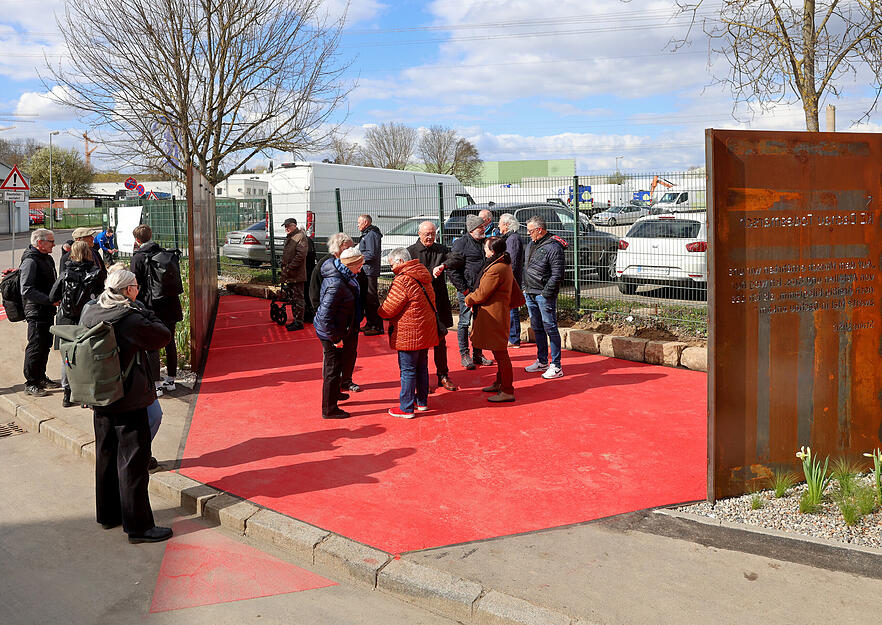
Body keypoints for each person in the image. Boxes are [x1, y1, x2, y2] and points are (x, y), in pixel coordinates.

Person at [79, 269, 173, 543]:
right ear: (128, 290)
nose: (138, 288)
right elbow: (162, 336)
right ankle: (139, 526)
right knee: (133, 463)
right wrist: (144, 310)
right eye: (135, 286)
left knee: (106, 457)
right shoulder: (130, 318)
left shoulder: (92, 310)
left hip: (101, 395)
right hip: (129, 398)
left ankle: (108, 515)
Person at [378, 247, 439, 418]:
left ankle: (406, 407)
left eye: (391, 264)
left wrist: (378, 311)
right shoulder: (423, 275)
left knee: (408, 369)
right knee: (422, 367)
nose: (391, 269)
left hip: (408, 331)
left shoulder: (402, 279)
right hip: (426, 328)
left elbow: (389, 308)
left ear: (400, 261)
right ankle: (422, 401)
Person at [465, 237, 525, 402]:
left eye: (485, 247)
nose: (484, 250)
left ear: (491, 250)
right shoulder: (502, 264)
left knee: (500, 353)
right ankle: (500, 384)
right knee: (498, 351)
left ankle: (507, 390)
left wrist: (468, 299)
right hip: (495, 313)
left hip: (493, 315)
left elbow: (482, 293)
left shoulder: (496, 268)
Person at [49, 240, 104, 407]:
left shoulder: (65, 274)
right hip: (88, 319)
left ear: (72, 254)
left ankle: (67, 393)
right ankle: (85, 395)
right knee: (87, 357)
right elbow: (103, 295)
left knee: (67, 357)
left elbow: (52, 297)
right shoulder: (97, 273)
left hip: (66, 320)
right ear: (89, 254)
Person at [130, 224, 183, 392]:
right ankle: (171, 380)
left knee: (152, 344)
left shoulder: (138, 258)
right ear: (151, 235)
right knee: (170, 341)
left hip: (151, 306)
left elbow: (134, 283)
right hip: (171, 304)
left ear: (137, 240)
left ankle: (156, 384)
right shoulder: (166, 254)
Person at [313, 248, 364, 419]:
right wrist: (335, 338)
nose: (361, 269)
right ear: (350, 265)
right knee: (332, 369)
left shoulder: (343, 276)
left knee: (338, 365)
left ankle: (335, 395)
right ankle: (329, 409)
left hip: (339, 328)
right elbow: (325, 315)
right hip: (331, 332)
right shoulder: (336, 283)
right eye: (359, 265)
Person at [406, 221, 458, 392]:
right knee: (421, 344)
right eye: (426, 234)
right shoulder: (411, 252)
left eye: (433, 234)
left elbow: (456, 258)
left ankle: (443, 375)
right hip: (419, 304)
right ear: (419, 234)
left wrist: (443, 265)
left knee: (441, 341)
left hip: (439, 302)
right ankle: (423, 379)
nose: (429, 237)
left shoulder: (441, 249)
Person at [448, 214, 494, 371]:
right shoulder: (460, 244)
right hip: (467, 291)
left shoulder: (484, 242)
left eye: (483, 227)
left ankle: (478, 353)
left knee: (479, 323)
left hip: (482, 291)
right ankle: (464, 354)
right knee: (464, 322)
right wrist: (465, 290)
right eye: (480, 227)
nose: (483, 229)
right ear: (472, 229)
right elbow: (452, 270)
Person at [523, 215, 566, 379]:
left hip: (543, 295)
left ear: (539, 230)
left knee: (550, 327)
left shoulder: (554, 247)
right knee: (537, 327)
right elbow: (526, 267)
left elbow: (557, 275)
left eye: (530, 231)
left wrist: (545, 293)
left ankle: (556, 365)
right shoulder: (531, 244)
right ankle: (542, 361)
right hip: (530, 293)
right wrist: (525, 288)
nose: (528, 234)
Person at [19, 228, 59, 397]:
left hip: (46, 309)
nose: (54, 244)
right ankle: (31, 382)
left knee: (45, 345)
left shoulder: (46, 258)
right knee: (36, 346)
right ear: (40, 242)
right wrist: (49, 300)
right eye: (51, 241)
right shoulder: (30, 261)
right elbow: (26, 289)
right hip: (36, 310)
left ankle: (40, 377)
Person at [498, 213, 525, 347]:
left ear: (507, 225)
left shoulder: (513, 239)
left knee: (512, 308)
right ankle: (512, 336)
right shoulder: (510, 238)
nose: (498, 225)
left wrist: (507, 278)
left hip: (512, 279)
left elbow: (512, 262)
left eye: (500, 223)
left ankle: (514, 338)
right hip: (510, 278)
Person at [357, 214, 384, 335]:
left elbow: (371, 254)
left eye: (359, 222)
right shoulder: (367, 234)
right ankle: (370, 323)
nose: (357, 225)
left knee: (372, 299)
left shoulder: (371, 235)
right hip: (365, 270)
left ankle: (377, 326)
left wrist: (358, 259)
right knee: (366, 298)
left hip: (370, 271)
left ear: (366, 222)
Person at [280, 217, 308, 331]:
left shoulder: (300, 237)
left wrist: (290, 267)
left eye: (288, 226)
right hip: (290, 273)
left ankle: (299, 321)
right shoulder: (291, 237)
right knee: (293, 298)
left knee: (298, 299)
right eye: (285, 226)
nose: (286, 228)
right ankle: (296, 320)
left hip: (296, 274)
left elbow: (301, 255)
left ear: (294, 225)